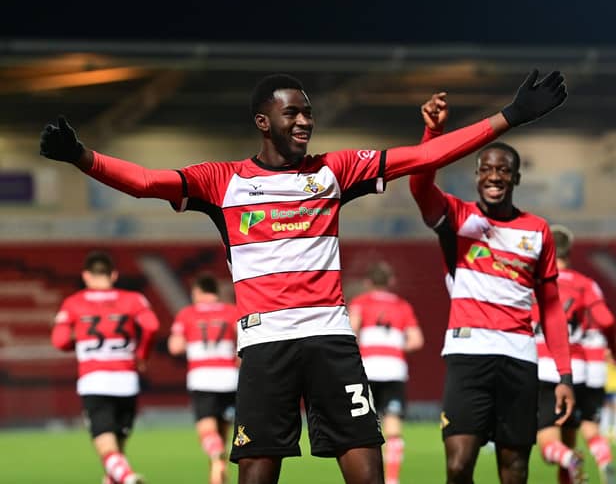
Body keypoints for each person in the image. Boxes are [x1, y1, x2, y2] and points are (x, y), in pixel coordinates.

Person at [40, 69, 566, 484]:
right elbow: (146, 181)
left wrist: (510, 116)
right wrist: (82, 157)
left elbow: (424, 156)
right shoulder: (222, 181)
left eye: (308, 114)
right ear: (262, 121)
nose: (304, 122)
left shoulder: (333, 171)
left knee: (366, 469)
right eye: (292, 113)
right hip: (267, 345)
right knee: (259, 471)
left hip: (332, 340)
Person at [409, 93, 574, 484]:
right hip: (468, 356)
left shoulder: (538, 231)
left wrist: (564, 376)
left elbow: (550, 308)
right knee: (458, 465)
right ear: (477, 175)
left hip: (519, 359)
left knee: (515, 469)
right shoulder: (457, 217)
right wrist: (432, 131)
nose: (494, 177)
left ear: (516, 178)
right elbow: (419, 185)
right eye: (486, 169)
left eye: (503, 171)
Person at [50, 251, 160, 484]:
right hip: (126, 380)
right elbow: (151, 326)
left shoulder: (73, 303)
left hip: (94, 379)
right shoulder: (133, 299)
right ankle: (119, 476)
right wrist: (141, 355)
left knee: (106, 448)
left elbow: (59, 341)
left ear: (86, 276)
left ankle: (129, 478)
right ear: (114, 274)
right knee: (116, 451)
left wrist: (77, 343)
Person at [545, 225, 616, 484]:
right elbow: (606, 321)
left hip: (542, 367)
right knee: (581, 430)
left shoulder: (535, 283)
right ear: (569, 252)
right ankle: (602, 459)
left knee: (545, 440)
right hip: (579, 369)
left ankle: (567, 459)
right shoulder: (585, 284)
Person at [349, 261, 424, 484]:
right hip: (393, 369)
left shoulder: (360, 303)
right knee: (393, 426)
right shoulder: (403, 306)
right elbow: (416, 340)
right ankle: (392, 479)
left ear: (367, 282)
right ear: (390, 282)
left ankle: (365, 476)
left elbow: (352, 332)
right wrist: (394, 345)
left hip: (367, 369)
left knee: (363, 428)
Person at [168, 273, 239, 484]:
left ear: (197, 292)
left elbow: (175, 346)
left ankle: (216, 458)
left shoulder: (187, 314)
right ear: (216, 292)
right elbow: (245, 343)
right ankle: (217, 475)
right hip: (229, 378)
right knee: (223, 430)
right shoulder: (231, 312)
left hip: (202, 377)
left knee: (207, 431)